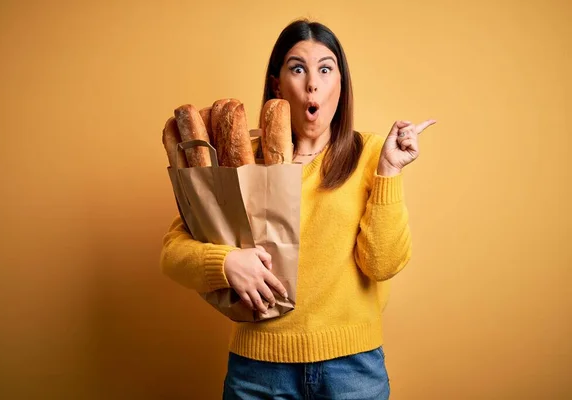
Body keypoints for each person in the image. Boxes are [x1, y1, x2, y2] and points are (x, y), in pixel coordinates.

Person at [160, 18, 436, 400]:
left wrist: (389, 170)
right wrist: (225, 264)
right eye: (297, 68)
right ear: (277, 84)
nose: (313, 83)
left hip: (353, 371)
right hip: (257, 372)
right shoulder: (240, 163)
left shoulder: (372, 153)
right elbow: (172, 253)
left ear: (340, 84)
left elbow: (383, 263)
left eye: (326, 69)